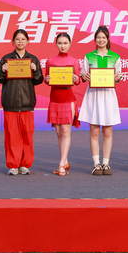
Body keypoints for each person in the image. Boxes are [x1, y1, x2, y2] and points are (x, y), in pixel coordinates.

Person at [0, 29, 44, 176]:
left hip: (27, 103)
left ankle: (25, 165)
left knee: (27, 135)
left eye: (23, 39)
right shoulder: (6, 59)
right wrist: (3, 70)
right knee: (12, 136)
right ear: (13, 41)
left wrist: (35, 70)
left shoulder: (33, 59)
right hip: (10, 103)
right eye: (17, 39)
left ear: (28, 41)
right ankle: (13, 165)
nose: (20, 41)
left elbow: (39, 80)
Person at [80, 26, 122, 176]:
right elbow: (83, 74)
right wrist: (84, 76)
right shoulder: (88, 56)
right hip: (94, 95)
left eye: (103, 37)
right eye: (98, 37)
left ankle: (106, 163)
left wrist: (117, 76)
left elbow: (119, 75)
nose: (101, 40)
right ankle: (96, 164)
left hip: (108, 96)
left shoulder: (115, 57)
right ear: (95, 39)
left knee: (108, 132)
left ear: (108, 39)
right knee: (94, 131)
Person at [44, 33, 81, 176]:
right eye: (60, 43)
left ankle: (61, 165)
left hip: (68, 99)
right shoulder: (50, 61)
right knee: (59, 132)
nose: (62, 46)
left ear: (70, 44)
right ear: (56, 44)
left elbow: (78, 81)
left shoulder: (74, 61)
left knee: (66, 131)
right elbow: (47, 79)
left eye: (65, 43)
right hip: (55, 99)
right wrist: (47, 79)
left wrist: (76, 78)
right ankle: (65, 162)